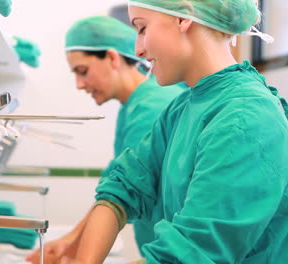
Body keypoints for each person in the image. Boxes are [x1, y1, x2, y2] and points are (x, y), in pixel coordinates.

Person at [30, 1, 288, 263]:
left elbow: (193, 251)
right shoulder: (183, 107)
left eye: (142, 28)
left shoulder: (246, 118)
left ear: (184, 17)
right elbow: (124, 187)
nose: (138, 50)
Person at [26, 16, 183, 263]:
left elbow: (126, 192)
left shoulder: (153, 107)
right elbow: (117, 187)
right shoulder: (134, 105)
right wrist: (70, 242)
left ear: (112, 58)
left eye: (83, 71)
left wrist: (75, 247)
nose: (79, 84)